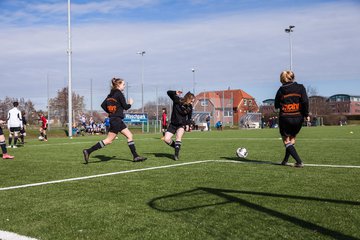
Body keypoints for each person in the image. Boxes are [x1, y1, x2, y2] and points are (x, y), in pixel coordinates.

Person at [82, 77, 147, 163]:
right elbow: (125, 107)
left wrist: (111, 112)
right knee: (109, 140)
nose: (124, 86)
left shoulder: (110, 95)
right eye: (123, 84)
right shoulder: (119, 93)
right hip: (117, 120)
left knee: (128, 136)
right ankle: (88, 151)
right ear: (118, 85)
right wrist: (130, 103)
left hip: (114, 119)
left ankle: (135, 156)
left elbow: (103, 105)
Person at [275, 70, 309, 168]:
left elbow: (276, 105)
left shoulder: (281, 90)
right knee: (292, 139)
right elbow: (305, 101)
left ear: (282, 79)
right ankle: (285, 161)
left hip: (285, 118)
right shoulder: (301, 87)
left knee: (286, 141)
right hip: (298, 118)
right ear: (293, 77)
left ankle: (299, 162)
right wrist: (306, 114)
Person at [163, 90, 195, 160]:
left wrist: (188, 125)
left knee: (178, 137)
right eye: (192, 101)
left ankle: (176, 155)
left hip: (181, 125)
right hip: (173, 124)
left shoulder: (190, 107)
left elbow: (189, 118)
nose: (192, 103)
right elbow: (168, 92)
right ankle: (177, 147)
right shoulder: (177, 100)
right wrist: (175, 92)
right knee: (166, 139)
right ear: (188, 98)